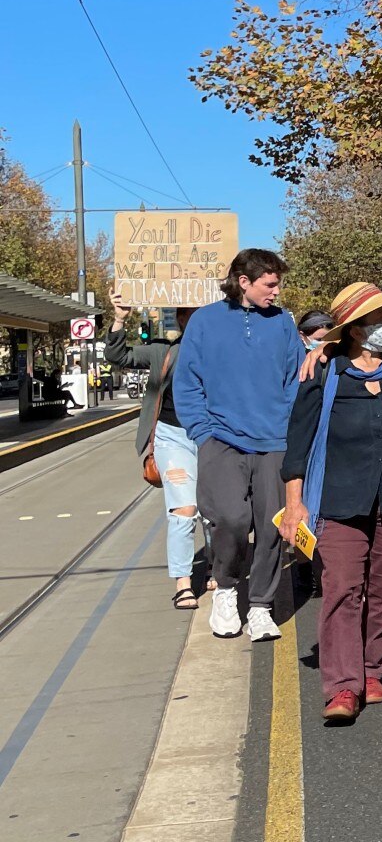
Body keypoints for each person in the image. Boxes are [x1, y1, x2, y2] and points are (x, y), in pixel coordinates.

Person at [279, 283, 382, 723]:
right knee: (342, 590)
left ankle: (370, 670)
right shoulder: (324, 372)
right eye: (379, 319)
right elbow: (297, 445)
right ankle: (343, 687)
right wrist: (294, 504)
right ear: (355, 330)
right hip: (338, 499)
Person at [172, 248, 305, 642]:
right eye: (270, 284)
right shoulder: (204, 322)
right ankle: (227, 589)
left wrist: (289, 426)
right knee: (229, 518)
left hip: (275, 441)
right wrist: (202, 431)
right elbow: (188, 381)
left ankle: (261, 605)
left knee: (271, 526)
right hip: (221, 440)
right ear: (243, 282)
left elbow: (295, 377)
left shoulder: (282, 322)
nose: (277, 291)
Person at [105, 294, 202, 609]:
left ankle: (217, 565)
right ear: (182, 318)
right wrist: (120, 318)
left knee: (217, 513)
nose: (200, 319)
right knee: (184, 508)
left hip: (214, 438)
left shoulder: (225, 352)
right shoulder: (164, 350)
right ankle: (183, 581)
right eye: (192, 313)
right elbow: (118, 355)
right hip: (172, 437)